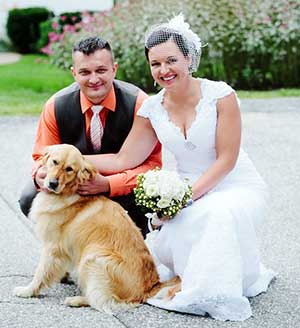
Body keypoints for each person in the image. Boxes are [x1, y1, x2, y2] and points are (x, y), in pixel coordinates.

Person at [81, 14, 276, 321]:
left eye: (171, 60)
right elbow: (123, 160)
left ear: (189, 58)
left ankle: (211, 290)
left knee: (216, 213)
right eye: (155, 64)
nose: (164, 70)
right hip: (186, 187)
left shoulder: (221, 97)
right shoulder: (152, 109)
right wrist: (66, 158)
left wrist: (184, 198)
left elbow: (226, 160)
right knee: (190, 220)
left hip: (234, 184)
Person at [19, 36, 162, 238]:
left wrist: (109, 184)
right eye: (85, 72)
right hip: (72, 185)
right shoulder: (55, 106)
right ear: (74, 73)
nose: (94, 79)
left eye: (101, 70)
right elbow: (40, 157)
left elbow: (153, 166)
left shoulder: (139, 104)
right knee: (29, 197)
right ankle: (67, 247)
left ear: (114, 69)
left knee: (147, 200)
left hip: (123, 187)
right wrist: (39, 175)